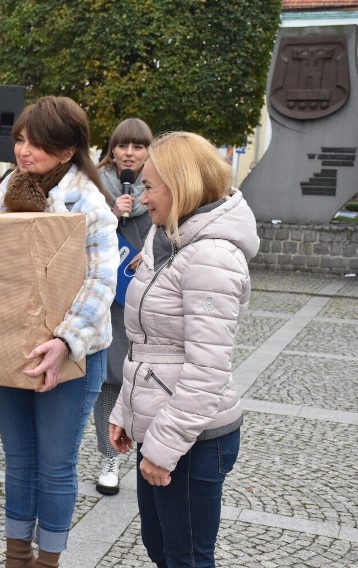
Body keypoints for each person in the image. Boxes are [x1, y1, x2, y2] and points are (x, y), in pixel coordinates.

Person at [109, 131, 259, 567]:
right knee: (164, 551)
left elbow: (206, 370)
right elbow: (150, 348)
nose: (142, 196)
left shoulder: (211, 256)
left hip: (192, 440)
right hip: (162, 428)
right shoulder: (171, 242)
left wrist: (161, 448)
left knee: (187, 559)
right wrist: (125, 412)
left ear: (182, 187)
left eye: (150, 186)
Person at [0, 96, 119, 568]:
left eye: (37, 144)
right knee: (19, 462)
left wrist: (65, 341)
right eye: (20, 139)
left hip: (71, 354)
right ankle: (16, 557)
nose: (24, 150)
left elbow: (102, 280)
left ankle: (48, 561)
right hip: (15, 345)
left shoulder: (93, 204)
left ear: (66, 151)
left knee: (55, 464)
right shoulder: (9, 189)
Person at [92, 118, 154, 495]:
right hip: (109, 299)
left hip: (149, 300)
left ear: (148, 153)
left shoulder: (162, 186)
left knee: (153, 379)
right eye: (123, 145)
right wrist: (110, 214)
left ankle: (154, 454)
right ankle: (108, 457)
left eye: (138, 147)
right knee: (110, 381)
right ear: (112, 149)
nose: (130, 153)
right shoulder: (95, 185)